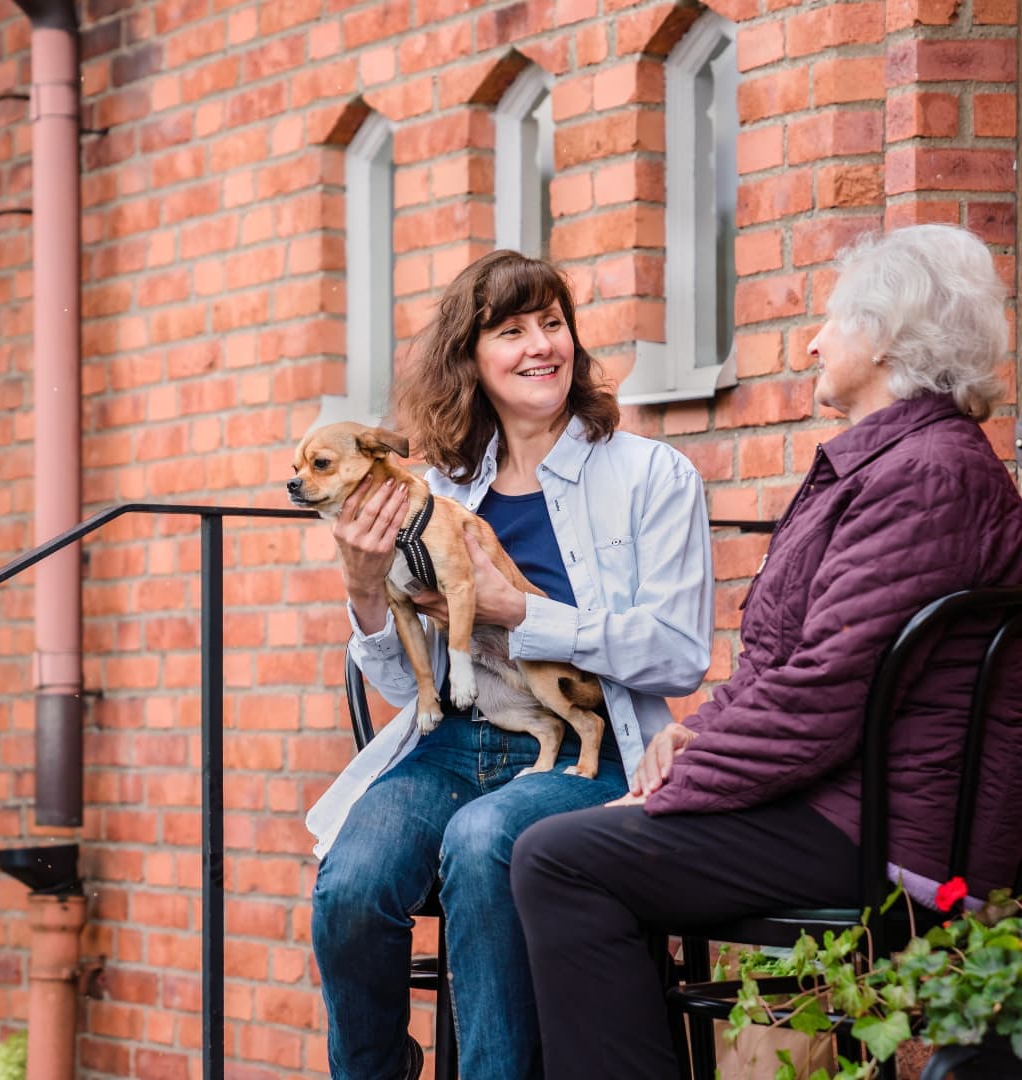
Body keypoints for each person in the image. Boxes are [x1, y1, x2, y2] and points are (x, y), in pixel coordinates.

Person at [510, 223, 1022, 1078]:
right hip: (851, 802)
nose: (814, 341)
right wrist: (695, 738)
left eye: (834, 321)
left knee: (562, 859)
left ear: (888, 338)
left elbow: (827, 694)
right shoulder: (897, 467)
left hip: (890, 834)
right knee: (567, 848)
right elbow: (790, 666)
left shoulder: (926, 477)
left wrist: (673, 796)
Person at [306, 250, 715, 1079]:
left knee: (485, 839)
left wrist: (522, 612)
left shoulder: (650, 476)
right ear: (472, 359)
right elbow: (397, 684)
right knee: (351, 882)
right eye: (511, 330)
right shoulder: (439, 489)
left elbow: (678, 655)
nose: (541, 346)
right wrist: (363, 591)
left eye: (553, 324)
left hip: (588, 751)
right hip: (453, 746)